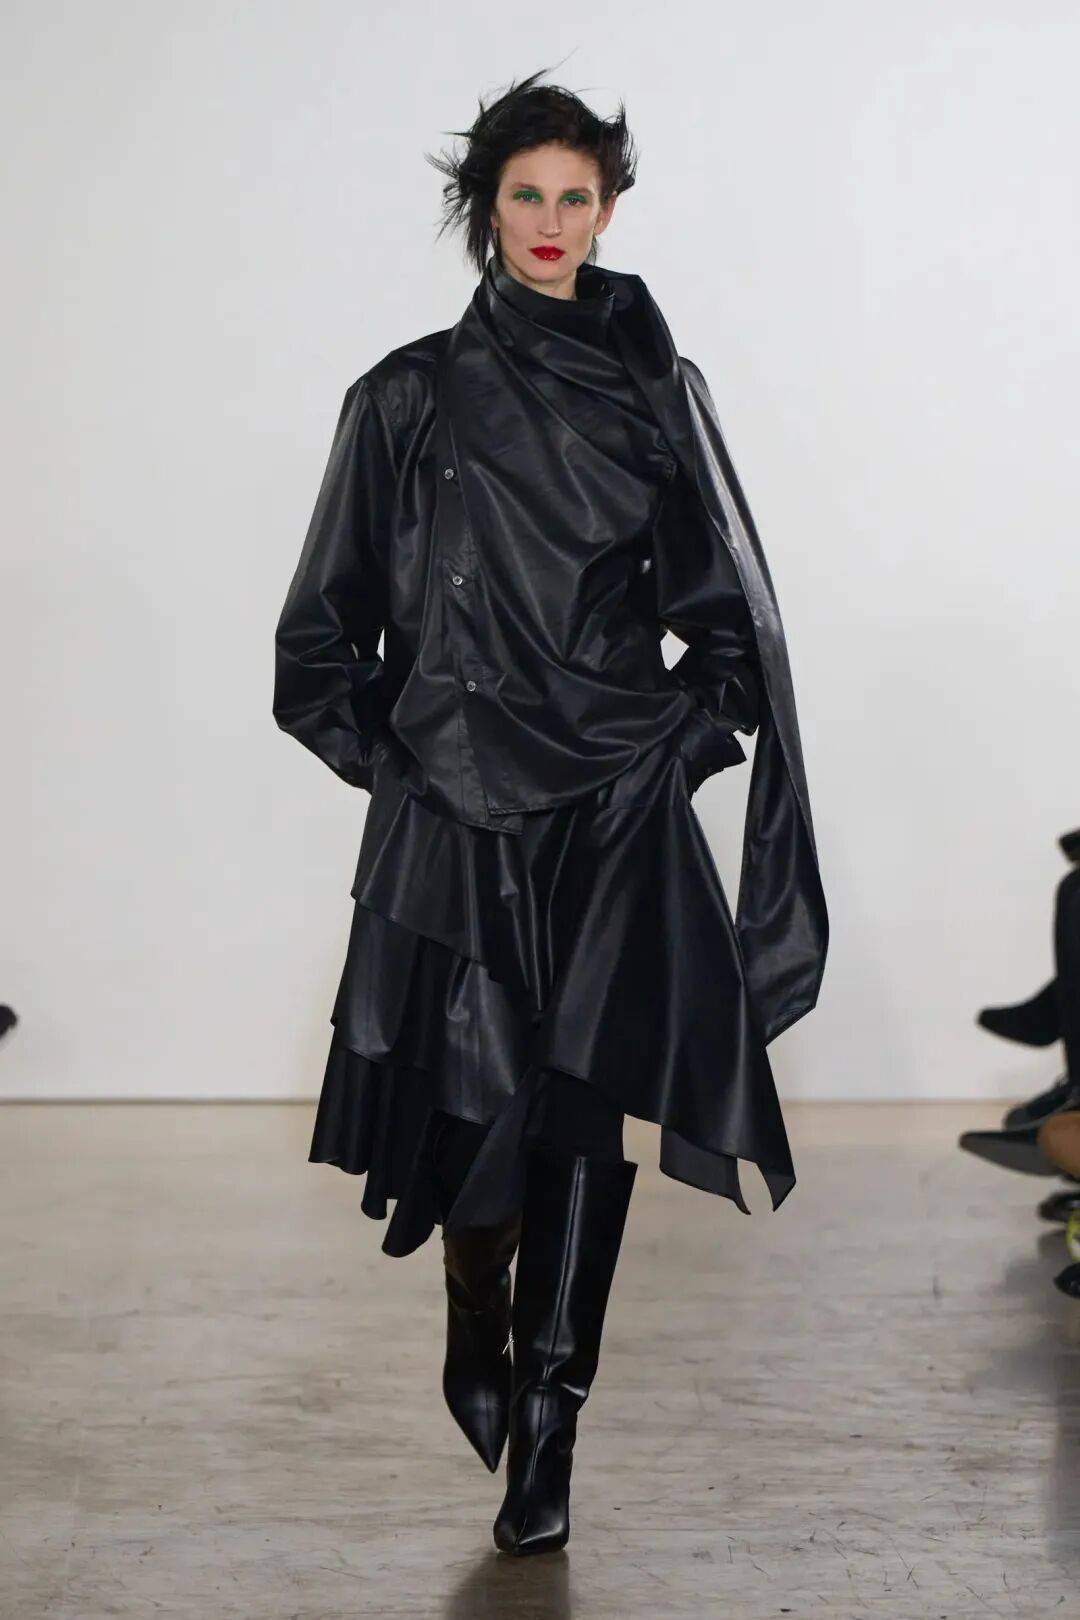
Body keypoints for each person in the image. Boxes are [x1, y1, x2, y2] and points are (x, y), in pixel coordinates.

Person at [273, 67, 828, 1556]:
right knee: (477, 1127)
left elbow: (731, 632)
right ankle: (478, 1317)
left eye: (577, 197)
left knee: (581, 1112)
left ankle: (553, 1415)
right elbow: (316, 647)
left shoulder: (655, 393)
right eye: (526, 193)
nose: (551, 221)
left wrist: (666, 751)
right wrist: (414, 768)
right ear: (485, 208)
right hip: (464, 817)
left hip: (607, 809)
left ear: (609, 212)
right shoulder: (402, 399)